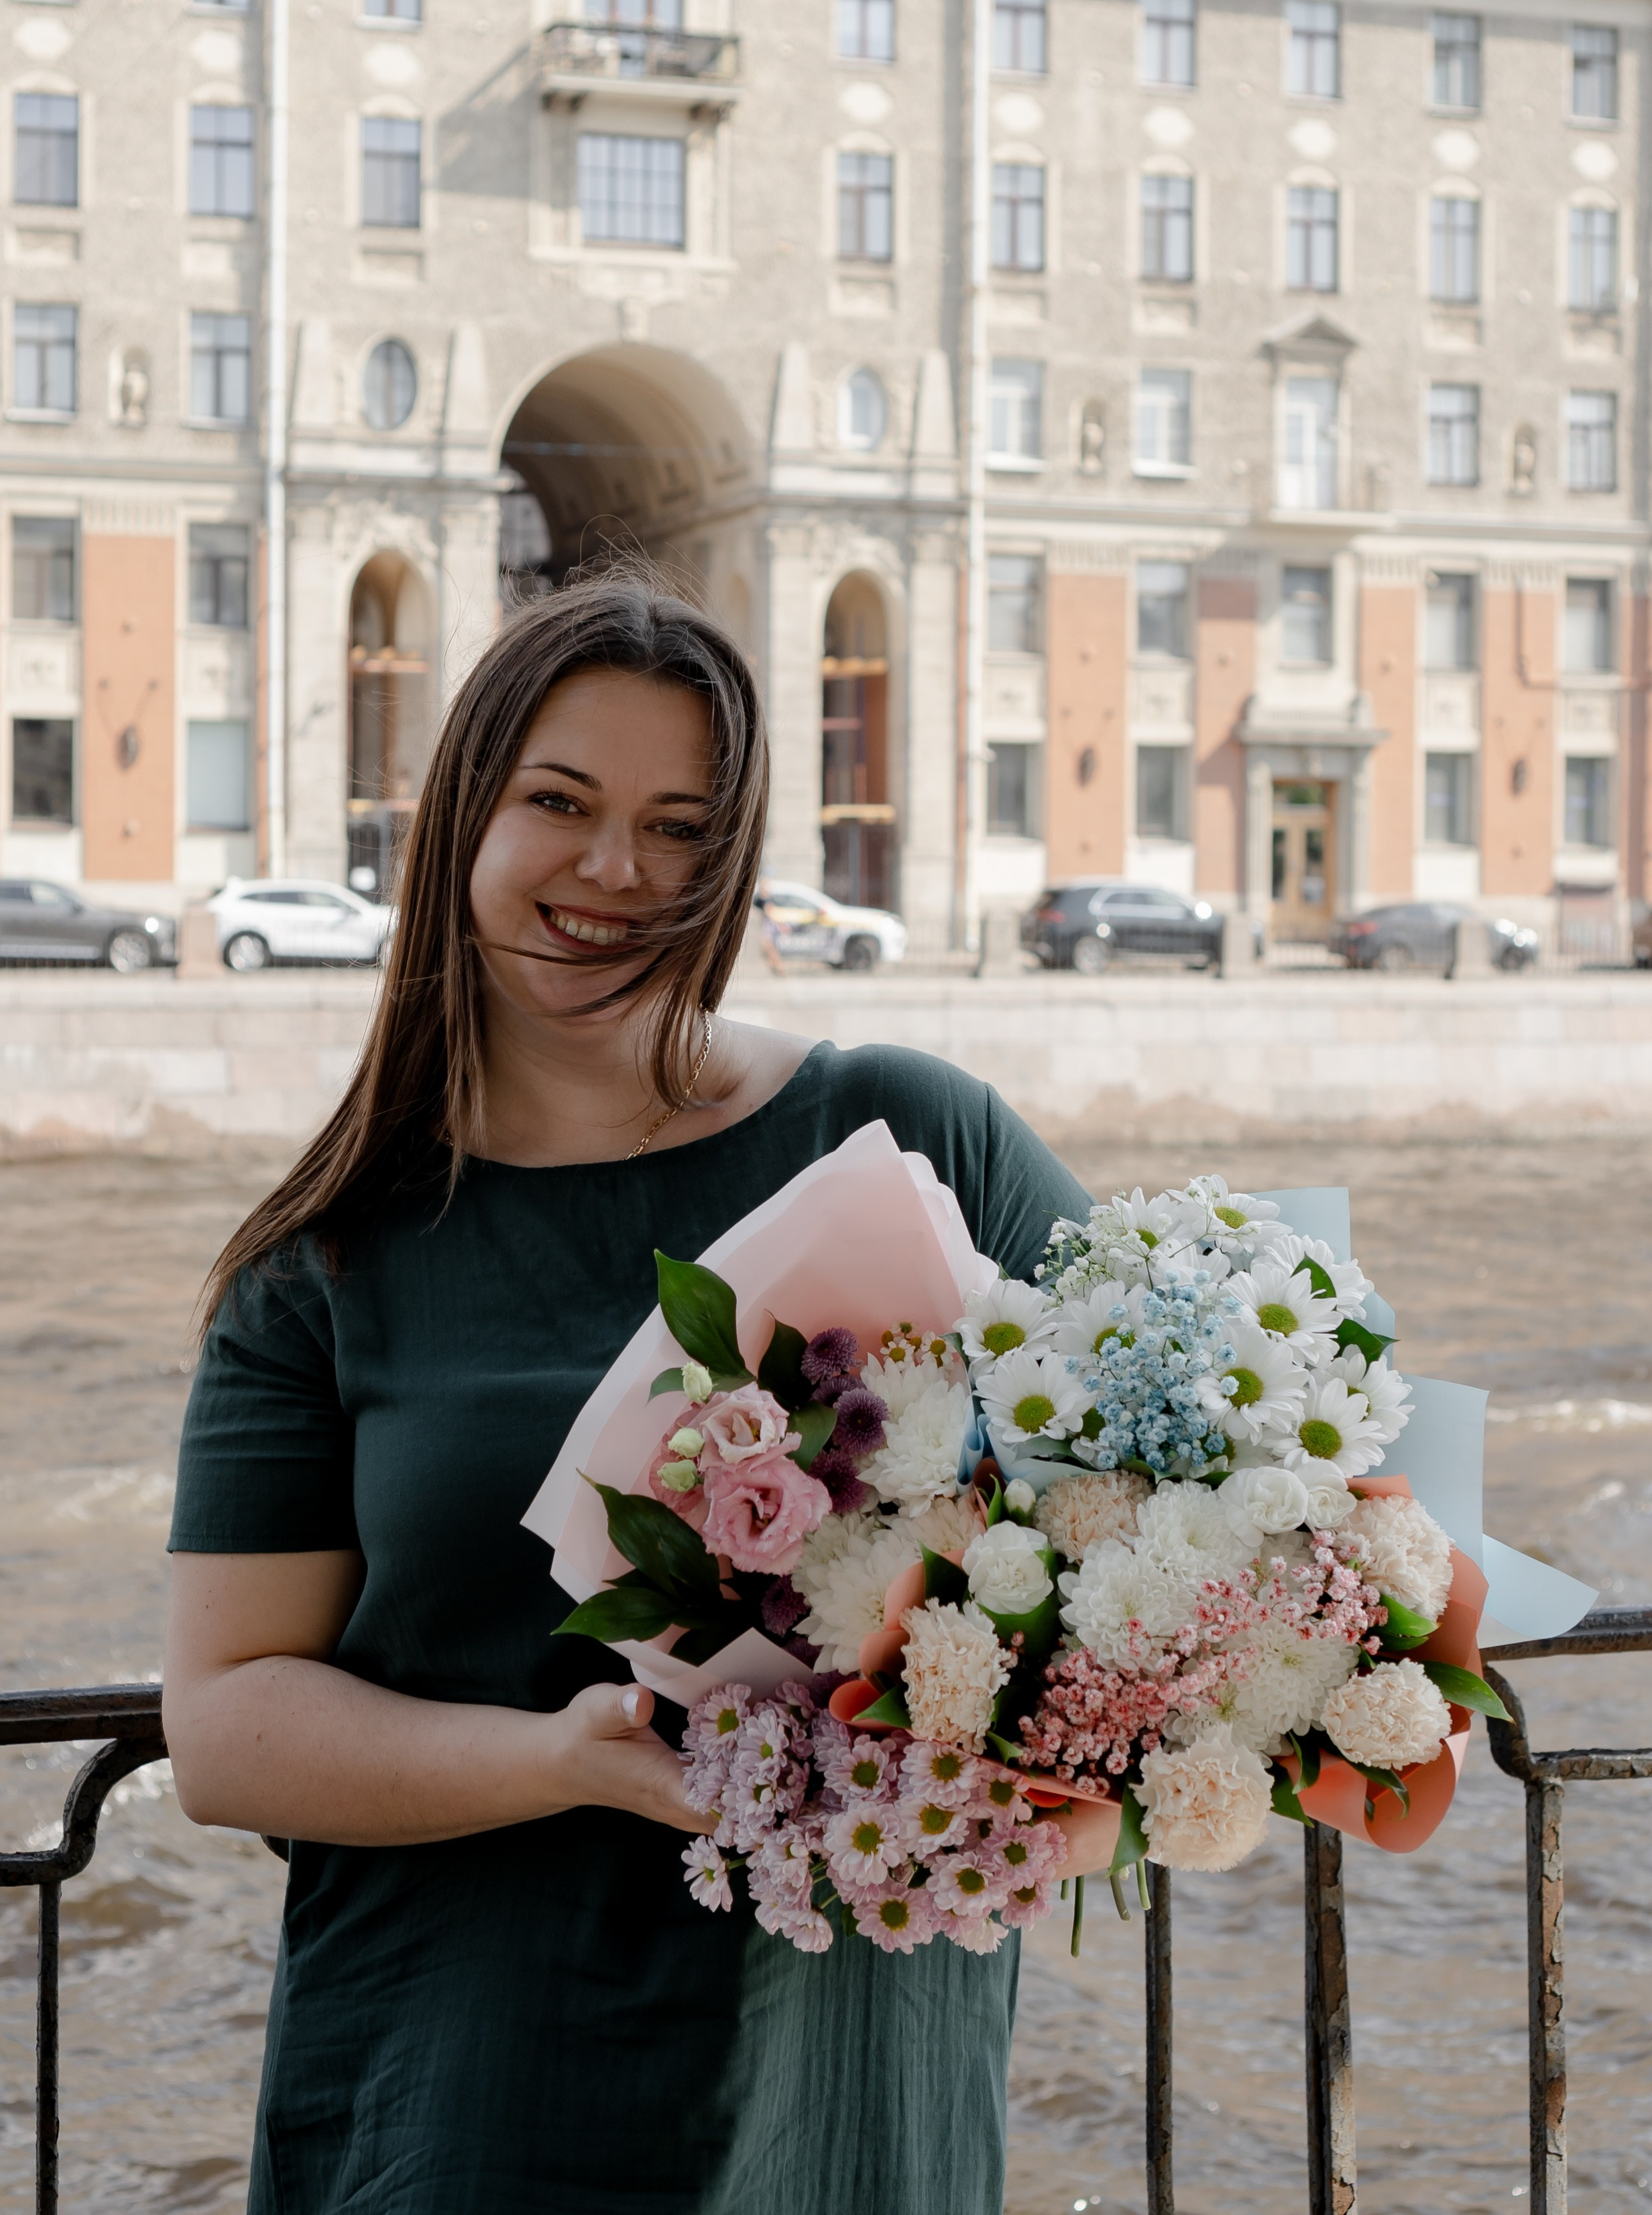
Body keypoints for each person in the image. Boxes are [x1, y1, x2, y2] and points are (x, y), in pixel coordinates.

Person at [164, 567, 1091, 2215]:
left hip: (844, 2089)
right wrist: (567, 1759)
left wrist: (1081, 1796)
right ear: (460, 817)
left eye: (678, 828)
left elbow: (1175, 1512)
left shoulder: (901, 1133)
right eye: (559, 802)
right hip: (461, 2094)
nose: (613, 872)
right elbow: (228, 1727)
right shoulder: (328, 1265)